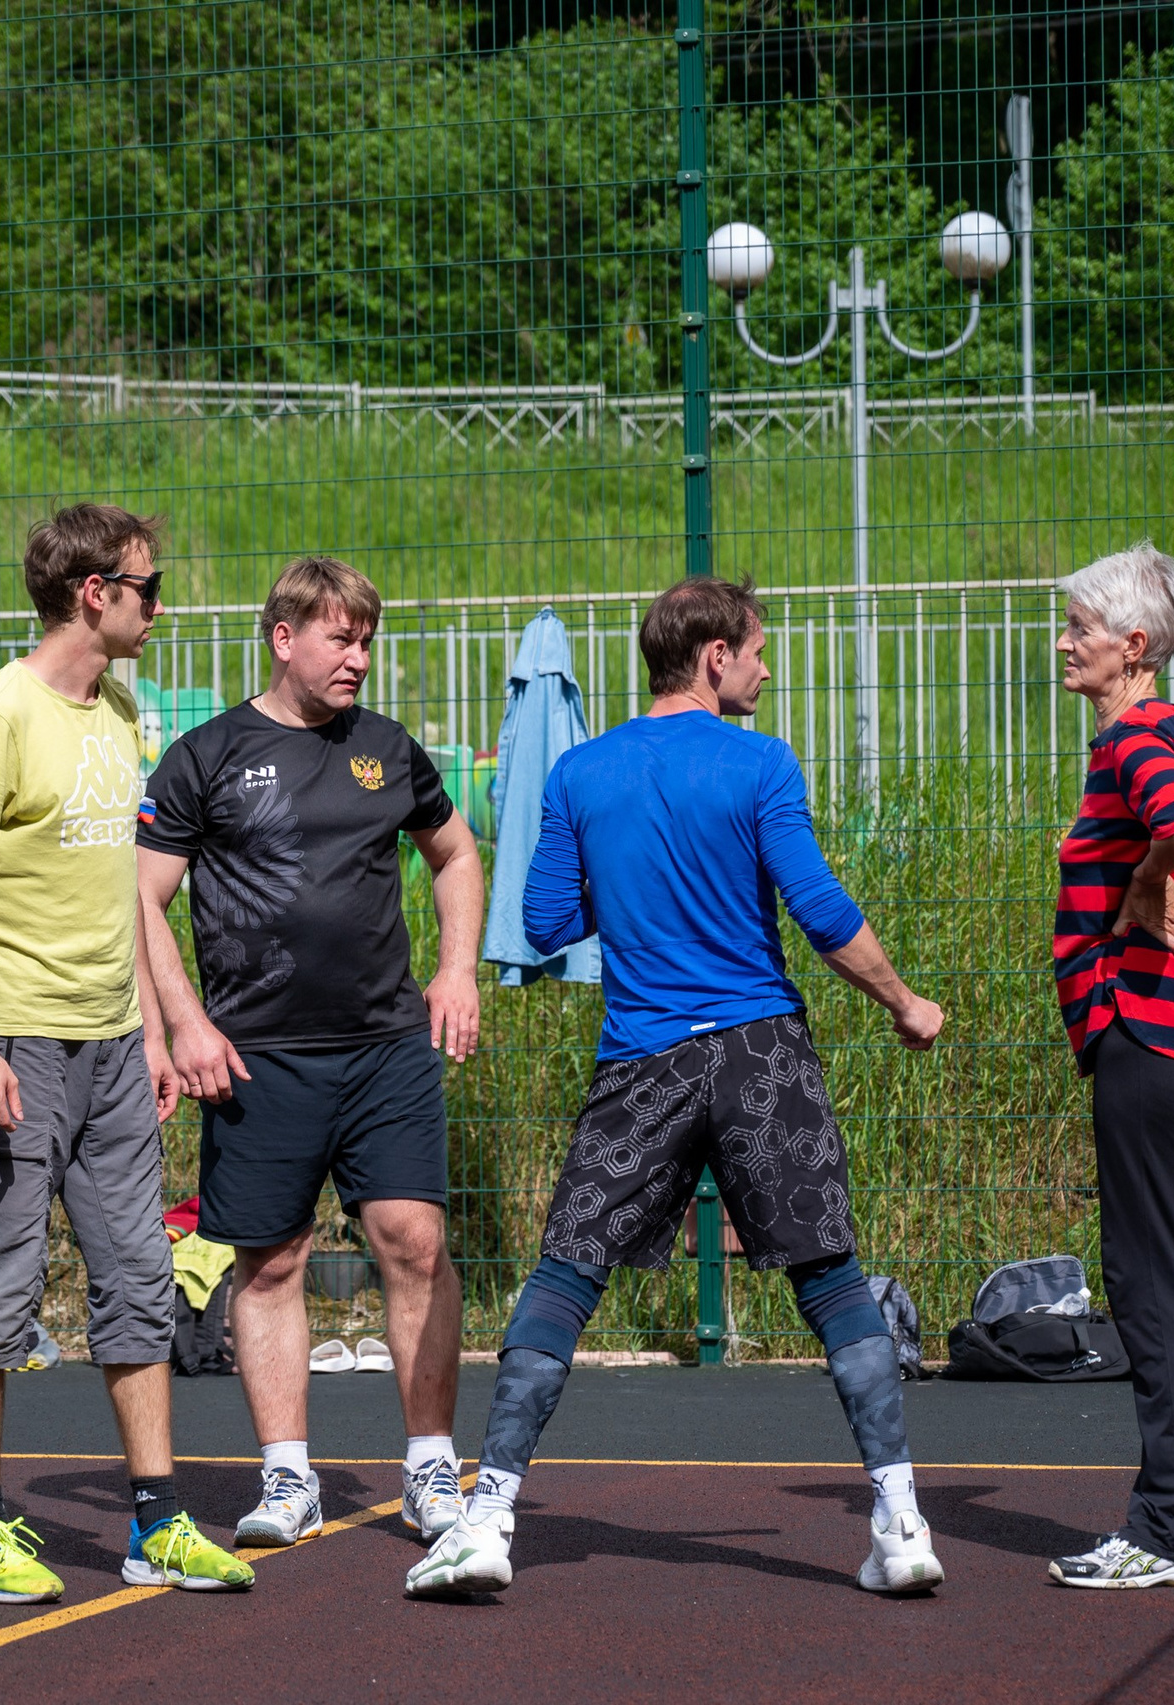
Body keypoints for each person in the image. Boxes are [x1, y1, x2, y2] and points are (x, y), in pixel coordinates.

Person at [404, 576, 947, 1601]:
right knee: (831, 1279)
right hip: (760, 1053)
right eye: (757, 651)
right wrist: (904, 1001)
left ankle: (487, 1519)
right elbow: (818, 906)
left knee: (565, 1275)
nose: (765, 669)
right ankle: (901, 1522)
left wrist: (629, 879)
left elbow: (546, 921)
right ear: (713, 656)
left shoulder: (579, 771)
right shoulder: (761, 762)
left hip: (643, 1061)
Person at [0, 503, 251, 1600]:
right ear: (93, 593)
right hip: (19, 1039)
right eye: (147, 588)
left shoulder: (118, 706)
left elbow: (124, 885)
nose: (161, 606)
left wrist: (155, 1028)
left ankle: (156, 1520)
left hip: (114, 1043)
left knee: (140, 1279)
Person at [138, 555, 484, 1552]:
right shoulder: (204, 756)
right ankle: (287, 1478)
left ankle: (431, 1470)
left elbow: (456, 854)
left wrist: (456, 969)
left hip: (386, 1048)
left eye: (367, 640)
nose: (358, 658)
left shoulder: (388, 747)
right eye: (341, 637)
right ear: (284, 638)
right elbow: (141, 898)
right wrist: (182, 1023)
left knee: (414, 1242)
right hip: (257, 1056)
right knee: (272, 1260)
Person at [1045, 541, 1174, 1589]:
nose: (1063, 642)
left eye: (1080, 628)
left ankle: (1173, 1530)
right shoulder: (1153, 733)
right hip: (1171, 1031)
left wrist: (1141, 881)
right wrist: (1144, 861)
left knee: (1144, 1278)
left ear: (1133, 646)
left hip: (1143, 1024)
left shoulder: (1138, 733)